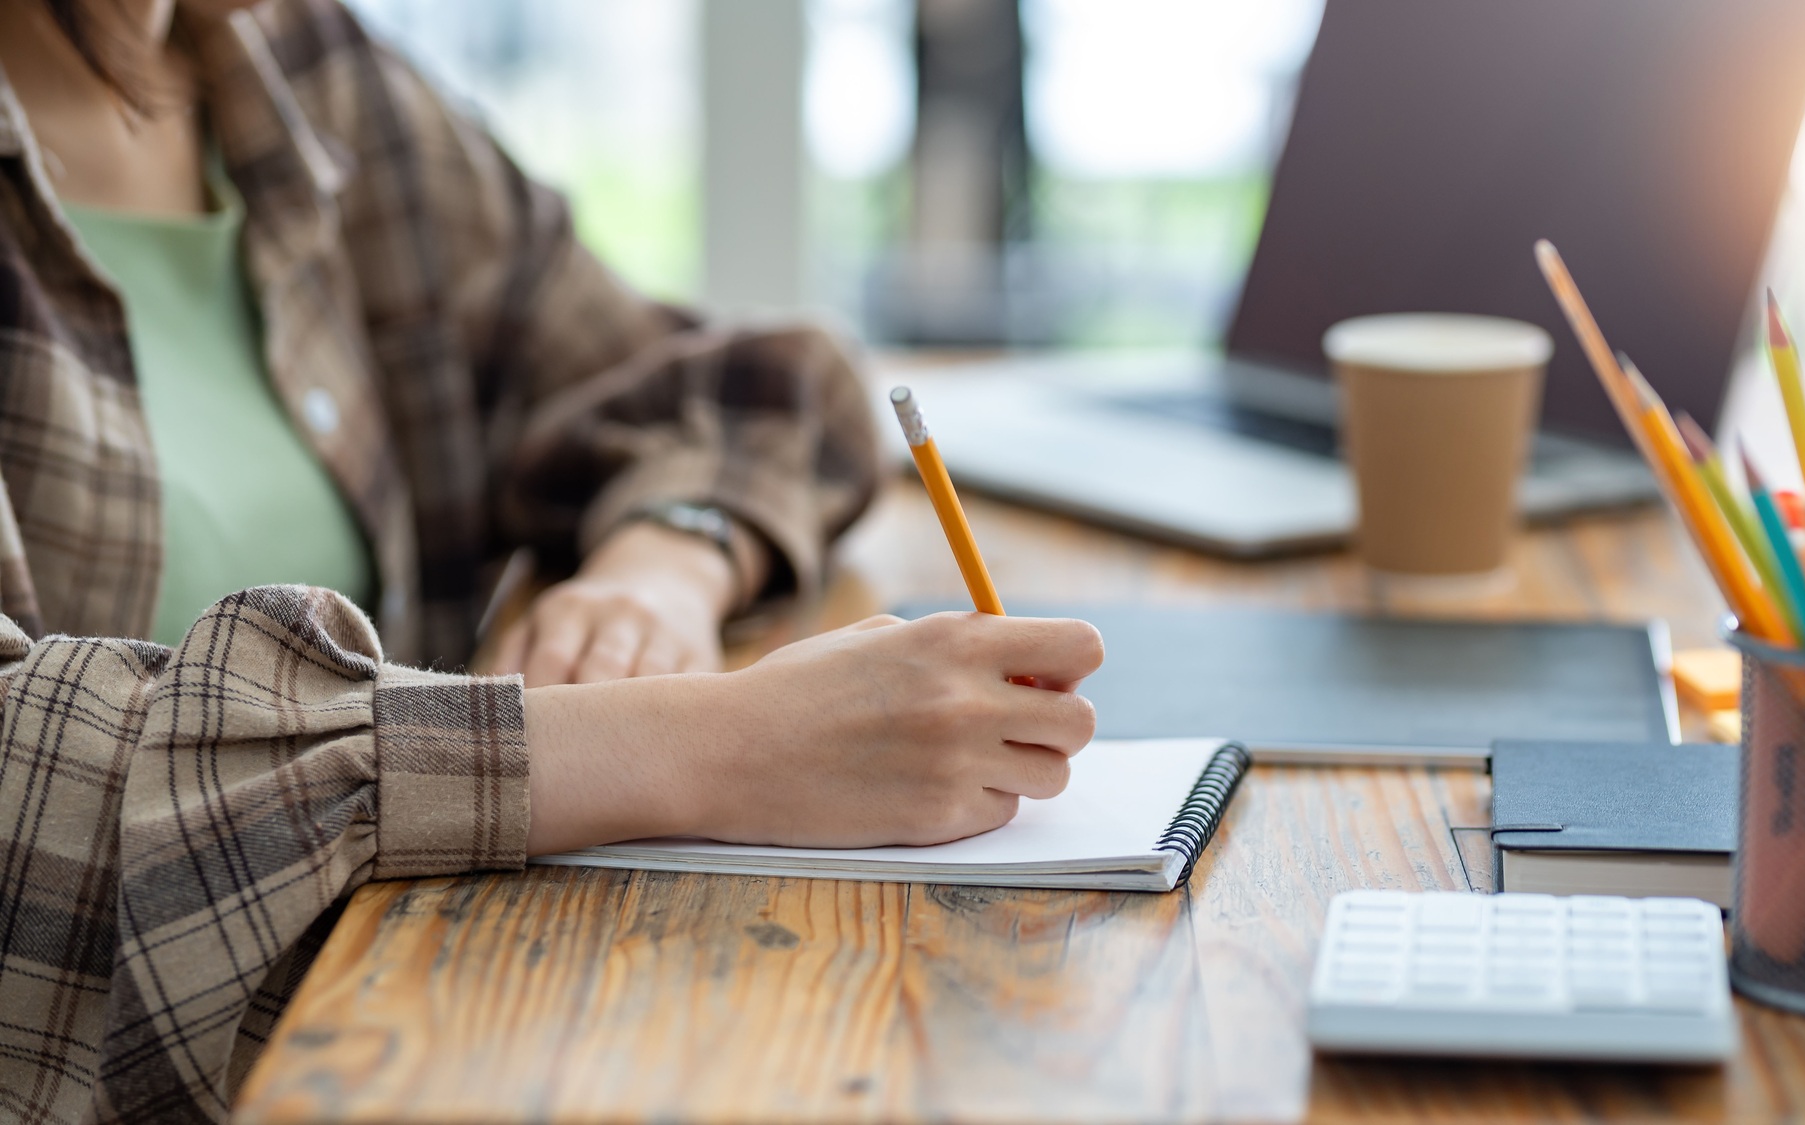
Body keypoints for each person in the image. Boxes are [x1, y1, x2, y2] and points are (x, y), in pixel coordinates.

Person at [0, 0, 1104, 1121]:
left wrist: (667, 559)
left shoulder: (294, 67)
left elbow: (741, 383)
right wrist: (719, 744)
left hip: (415, 1013)